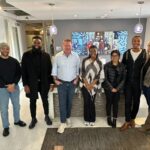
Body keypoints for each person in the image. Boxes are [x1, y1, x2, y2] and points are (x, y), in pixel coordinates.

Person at [21, 36, 54, 129]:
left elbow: (50, 70)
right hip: (31, 84)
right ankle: (33, 118)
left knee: (45, 100)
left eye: (38, 43)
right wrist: (25, 85)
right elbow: (23, 71)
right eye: (35, 42)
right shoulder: (26, 55)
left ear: (41, 44)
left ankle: (46, 116)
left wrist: (51, 83)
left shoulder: (46, 55)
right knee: (32, 101)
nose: (36, 44)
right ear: (32, 43)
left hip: (44, 83)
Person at [52, 39, 80, 134]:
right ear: (63, 46)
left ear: (71, 46)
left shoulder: (76, 56)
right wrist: (55, 80)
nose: (67, 47)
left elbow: (78, 70)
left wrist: (76, 79)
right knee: (62, 103)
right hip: (62, 84)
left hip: (72, 83)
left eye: (69, 45)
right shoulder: (57, 56)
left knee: (69, 103)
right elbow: (54, 69)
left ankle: (68, 117)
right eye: (65, 45)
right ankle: (62, 122)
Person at [120, 36, 146, 131]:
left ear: (140, 42)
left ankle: (132, 119)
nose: (136, 42)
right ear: (132, 42)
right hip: (128, 83)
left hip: (138, 83)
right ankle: (127, 121)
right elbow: (122, 67)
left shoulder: (145, 54)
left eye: (138, 41)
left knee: (136, 102)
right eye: (134, 40)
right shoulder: (127, 53)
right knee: (127, 102)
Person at [0, 43, 26, 137]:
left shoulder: (14, 61)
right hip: (2, 88)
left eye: (7, 49)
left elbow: (19, 73)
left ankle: (17, 120)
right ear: (0, 50)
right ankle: (6, 127)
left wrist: (14, 84)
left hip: (14, 87)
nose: (6, 50)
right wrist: (6, 86)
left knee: (17, 105)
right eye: (4, 49)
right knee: (3, 108)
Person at [102, 50, 126, 128]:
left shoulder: (122, 66)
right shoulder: (106, 65)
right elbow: (105, 78)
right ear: (111, 57)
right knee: (109, 103)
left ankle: (114, 119)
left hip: (118, 89)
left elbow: (123, 79)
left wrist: (117, 88)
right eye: (113, 55)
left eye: (116, 55)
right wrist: (111, 88)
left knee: (115, 104)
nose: (114, 57)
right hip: (108, 88)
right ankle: (109, 118)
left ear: (119, 56)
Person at [80, 45, 102, 126]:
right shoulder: (85, 60)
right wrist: (87, 84)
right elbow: (82, 73)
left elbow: (98, 75)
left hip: (94, 86)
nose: (93, 52)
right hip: (85, 85)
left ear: (97, 52)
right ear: (89, 51)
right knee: (86, 102)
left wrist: (92, 85)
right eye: (91, 50)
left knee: (92, 102)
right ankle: (86, 119)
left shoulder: (99, 62)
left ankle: (92, 119)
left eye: (94, 50)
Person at [139, 41, 150, 132]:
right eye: (149, 46)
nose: (148, 47)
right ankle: (148, 124)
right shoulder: (147, 57)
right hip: (146, 85)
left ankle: (147, 125)